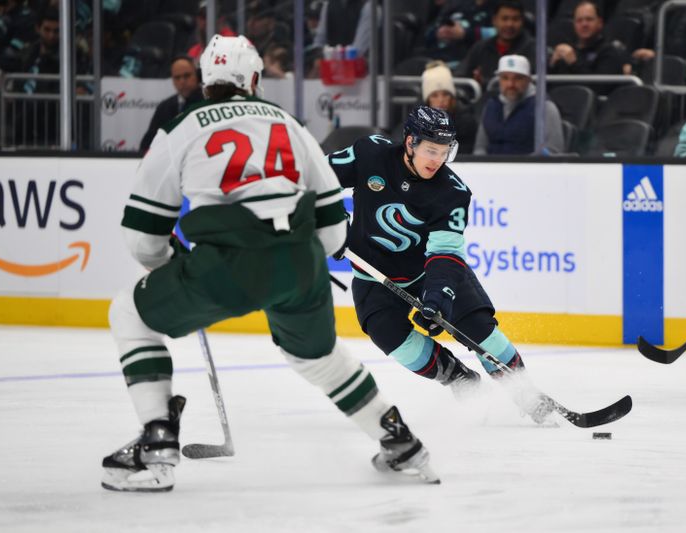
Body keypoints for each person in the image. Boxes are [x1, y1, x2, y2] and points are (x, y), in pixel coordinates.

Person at [101, 34, 437, 492]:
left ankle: (157, 444)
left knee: (129, 313)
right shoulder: (291, 124)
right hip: (301, 262)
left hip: (226, 263)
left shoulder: (180, 128)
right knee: (317, 358)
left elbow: (142, 237)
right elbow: (333, 230)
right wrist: (292, 268)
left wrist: (170, 265)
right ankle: (400, 441)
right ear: (254, 78)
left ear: (205, 81)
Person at [327, 105, 555, 423]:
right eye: (431, 150)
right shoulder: (370, 154)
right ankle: (460, 378)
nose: (437, 160)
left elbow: (445, 254)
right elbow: (317, 178)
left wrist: (438, 298)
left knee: (481, 332)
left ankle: (527, 394)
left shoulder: (452, 192)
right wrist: (329, 221)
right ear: (410, 143)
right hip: (373, 276)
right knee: (393, 340)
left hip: (425, 272)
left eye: (444, 151)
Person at [473, 55, 564, 155]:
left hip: (529, 168)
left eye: (518, 78)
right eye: (505, 78)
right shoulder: (490, 106)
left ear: (528, 79)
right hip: (490, 168)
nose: (510, 84)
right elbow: (480, 147)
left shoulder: (545, 108)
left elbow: (553, 151)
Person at [456, 0, 534, 89]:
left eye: (515, 19)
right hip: (483, 101)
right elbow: (460, 76)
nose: (510, 24)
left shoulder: (533, 48)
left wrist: (485, 82)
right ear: (494, 20)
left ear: (522, 21)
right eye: (505, 19)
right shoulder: (481, 47)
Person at [139, 56, 203, 153]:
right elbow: (146, 145)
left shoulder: (208, 102)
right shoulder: (164, 107)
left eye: (187, 76)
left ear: (198, 76)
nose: (182, 81)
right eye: (177, 78)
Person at [548, 1, 626, 78]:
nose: (584, 24)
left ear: (600, 23)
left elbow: (600, 87)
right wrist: (552, 64)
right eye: (579, 20)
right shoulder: (569, 51)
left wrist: (574, 63)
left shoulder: (609, 52)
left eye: (589, 19)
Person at [421, 61, 478, 154]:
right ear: (428, 100)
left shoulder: (466, 121)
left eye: (445, 94)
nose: (441, 100)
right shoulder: (418, 122)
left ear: (452, 97)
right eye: (434, 95)